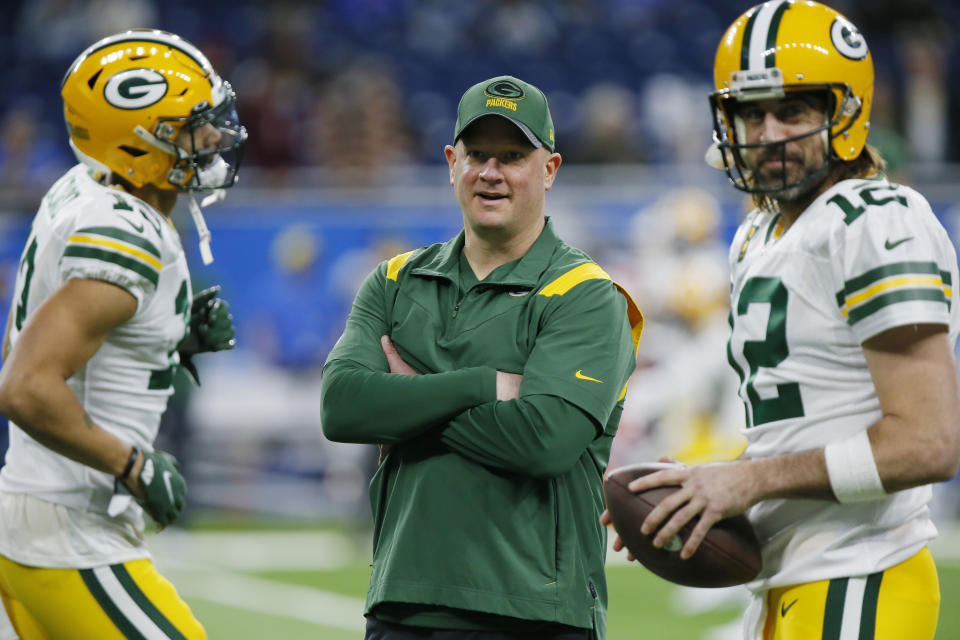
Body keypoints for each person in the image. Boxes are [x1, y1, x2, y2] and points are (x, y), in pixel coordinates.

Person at [603, 2, 960, 638]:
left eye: (791, 110)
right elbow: (799, 430)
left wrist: (748, 479)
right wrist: (699, 490)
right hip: (787, 585)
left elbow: (928, 443)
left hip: (861, 577)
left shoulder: (875, 218)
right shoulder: (756, 236)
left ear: (842, 113)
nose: (767, 132)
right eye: (749, 112)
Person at [321, 75, 643, 639]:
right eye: (477, 154)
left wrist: (408, 403)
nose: (491, 172)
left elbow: (545, 440)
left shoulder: (587, 293)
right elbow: (342, 408)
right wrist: (483, 385)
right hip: (403, 603)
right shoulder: (395, 280)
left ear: (550, 170)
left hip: (536, 611)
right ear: (451, 162)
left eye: (514, 156)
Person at [0, 29, 244, 639]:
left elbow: (46, 336)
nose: (214, 137)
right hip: (70, 531)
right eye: (192, 126)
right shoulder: (127, 233)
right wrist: (131, 464)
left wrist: (170, 333)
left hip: (45, 518)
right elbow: (25, 384)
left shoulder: (85, 191)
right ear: (138, 143)